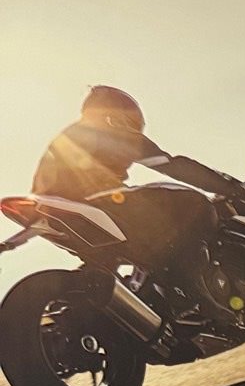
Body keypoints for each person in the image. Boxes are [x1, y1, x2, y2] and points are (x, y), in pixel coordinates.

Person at [28, 86, 223, 289]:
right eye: (133, 125)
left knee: (110, 258)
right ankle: (190, 282)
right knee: (196, 204)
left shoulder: (70, 136)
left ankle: (108, 294)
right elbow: (169, 164)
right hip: (92, 200)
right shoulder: (107, 128)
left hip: (55, 207)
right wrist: (231, 187)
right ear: (119, 114)